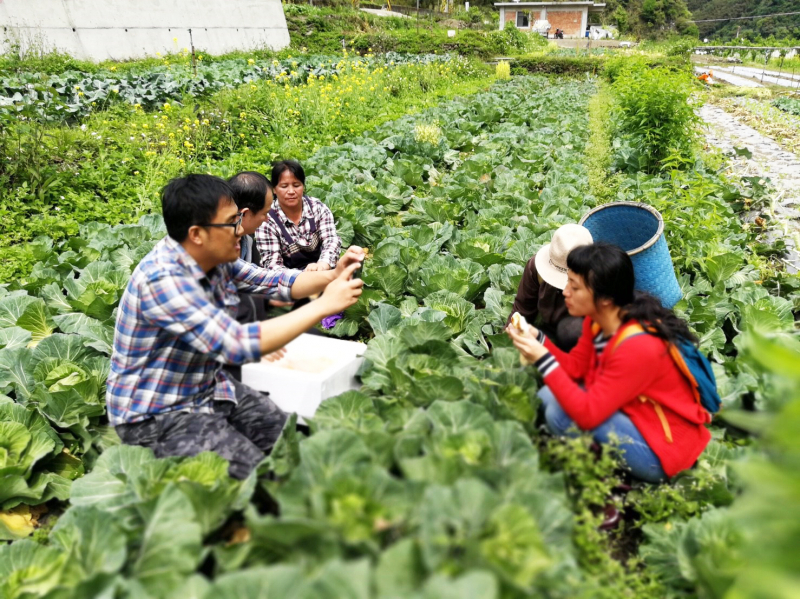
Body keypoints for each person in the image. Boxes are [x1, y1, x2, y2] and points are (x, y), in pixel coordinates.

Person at [107, 174, 364, 479]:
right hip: (157, 413)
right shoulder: (163, 281)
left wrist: (333, 275)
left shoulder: (214, 257)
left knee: (285, 439)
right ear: (197, 234)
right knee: (255, 476)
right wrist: (323, 305)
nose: (241, 229)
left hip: (208, 388)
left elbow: (275, 281)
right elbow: (236, 343)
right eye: (232, 222)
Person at [507, 243, 711, 483]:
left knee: (558, 416)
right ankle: (596, 457)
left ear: (603, 298)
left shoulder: (638, 347)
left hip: (664, 448)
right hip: (634, 412)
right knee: (545, 396)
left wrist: (542, 358)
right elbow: (575, 368)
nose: (565, 292)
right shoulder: (596, 321)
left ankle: (601, 476)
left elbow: (587, 415)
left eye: (574, 286)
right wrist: (538, 338)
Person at [508, 223, 592, 351]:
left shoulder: (599, 276)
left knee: (571, 331)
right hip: (548, 328)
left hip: (581, 330)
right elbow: (523, 307)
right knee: (523, 339)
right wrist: (512, 331)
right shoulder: (535, 267)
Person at [255, 160, 341, 273]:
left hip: (323, 271)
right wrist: (304, 277)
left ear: (303, 187)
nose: (291, 191)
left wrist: (323, 264)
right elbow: (272, 265)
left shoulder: (317, 208)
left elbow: (331, 240)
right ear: (274, 190)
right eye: (284, 186)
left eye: (296, 185)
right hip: (287, 282)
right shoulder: (267, 220)